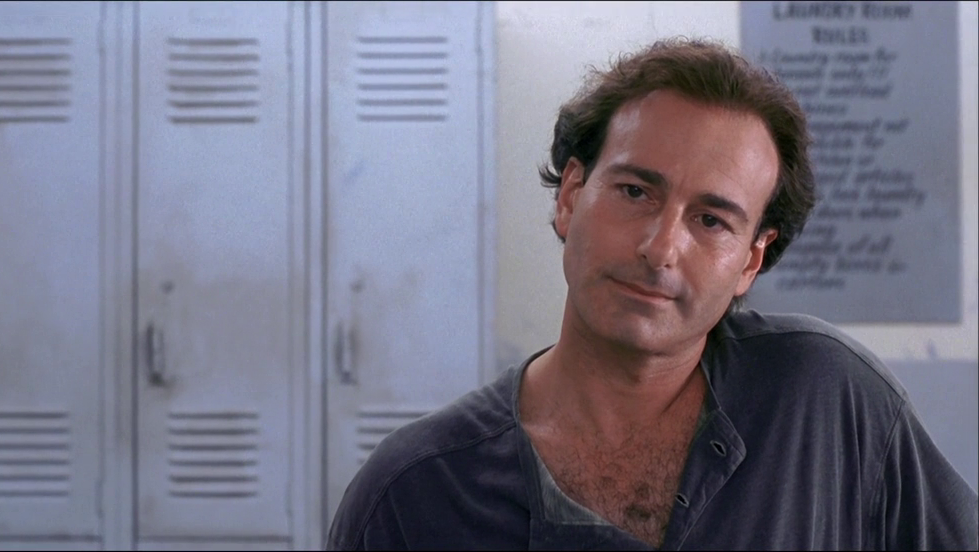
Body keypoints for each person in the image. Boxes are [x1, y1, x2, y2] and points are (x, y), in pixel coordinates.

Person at [327, 37, 979, 550]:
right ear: (571, 196)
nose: (661, 248)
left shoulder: (827, 403)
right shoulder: (414, 493)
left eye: (711, 220)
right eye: (636, 192)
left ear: (751, 260)